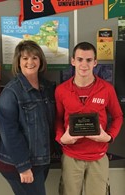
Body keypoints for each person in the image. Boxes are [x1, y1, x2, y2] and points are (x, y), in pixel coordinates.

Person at [55, 41, 123, 195]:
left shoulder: (107, 89)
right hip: (71, 156)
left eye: (88, 60)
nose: (84, 64)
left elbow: (118, 116)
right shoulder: (61, 90)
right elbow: (58, 119)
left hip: (98, 156)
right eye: (79, 59)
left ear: (95, 62)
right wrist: (61, 138)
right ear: (73, 61)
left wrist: (109, 136)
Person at [0, 40, 55, 195]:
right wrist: (23, 166)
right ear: (18, 62)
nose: (30, 62)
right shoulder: (11, 92)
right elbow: (9, 133)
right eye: (25, 58)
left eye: (34, 58)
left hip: (41, 159)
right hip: (19, 163)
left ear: (40, 61)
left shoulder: (47, 88)